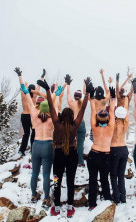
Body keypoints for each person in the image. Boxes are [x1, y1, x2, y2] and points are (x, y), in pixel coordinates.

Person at [38, 77, 92, 217]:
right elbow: (83, 109)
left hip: (59, 155)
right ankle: (69, 207)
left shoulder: (57, 124)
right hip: (72, 154)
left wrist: (47, 91)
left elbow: (50, 105)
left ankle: (56, 207)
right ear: (72, 117)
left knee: (57, 181)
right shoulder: (75, 126)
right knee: (70, 181)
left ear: (62, 117)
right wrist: (87, 95)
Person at [16, 67, 54, 210]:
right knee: (45, 174)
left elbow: (25, 93)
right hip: (48, 145)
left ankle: (33, 195)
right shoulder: (51, 117)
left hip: (36, 145)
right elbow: (54, 99)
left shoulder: (33, 112)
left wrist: (20, 76)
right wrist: (52, 90)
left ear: (38, 106)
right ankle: (45, 198)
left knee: (34, 173)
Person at [87, 86, 116, 211]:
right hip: (106, 156)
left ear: (98, 119)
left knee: (93, 181)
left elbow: (93, 111)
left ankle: (92, 204)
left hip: (94, 154)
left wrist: (92, 97)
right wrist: (113, 98)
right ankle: (107, 201)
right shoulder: (110, 128)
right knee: (105, 180)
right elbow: (113, 112)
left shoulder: (95, 127)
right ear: (107, 119)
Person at [15, 68, 45, 155]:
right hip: (32, 116)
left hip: (24, 115)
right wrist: (42, 76)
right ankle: (33, 149)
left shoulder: (24, 96)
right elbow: (39, 86)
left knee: (26, 133)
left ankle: (22, 150)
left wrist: (20, 75)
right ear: (34, 90)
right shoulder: (35, 97)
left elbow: (22, 85)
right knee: (34, 132)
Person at [110, 98, 129, 204]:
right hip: (124, 149)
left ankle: (116, 197)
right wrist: (125, 98)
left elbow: (111, 110)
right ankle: (123, 197)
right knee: (121, 175)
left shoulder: (113, 123)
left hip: (114, 149)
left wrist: (113, 98)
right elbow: (126, 109)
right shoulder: (126, 123)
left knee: (113, 174)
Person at [66, 74, 87, 167]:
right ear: (81, 97)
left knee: (70, 143)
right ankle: (81, 162)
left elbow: (67, 94)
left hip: (73, 124)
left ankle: (71, 160)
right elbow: (86, 94)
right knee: (80, 144)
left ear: (74, 96)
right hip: (81, 124)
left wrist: (68, 84)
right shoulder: (82, 104)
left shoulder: (71, 103)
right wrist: (85, 84)